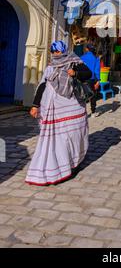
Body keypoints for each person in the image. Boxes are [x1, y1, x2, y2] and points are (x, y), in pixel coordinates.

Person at [25, 41, 92, 186]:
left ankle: (73, 162)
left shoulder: (74, 61)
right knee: (56, 139)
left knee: (71, 136)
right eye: (54, 51)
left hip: (72, 106)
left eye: (59, 51)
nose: (57, 54)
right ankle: (55, 167)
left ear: (64, 50)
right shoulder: (50, 66)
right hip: (52, 108)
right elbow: (43, 85)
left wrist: (75, 73)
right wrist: (35, 105)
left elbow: (88, 74)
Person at [81, 44, 100, 117]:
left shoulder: (82, 57)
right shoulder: (96, 58)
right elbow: (97, 71)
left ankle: (82, 113)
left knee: (82, 95)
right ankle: (93, 112)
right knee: (93, 96)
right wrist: (98, 80)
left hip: (83, 79)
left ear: (87, 49)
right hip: (92, 79)